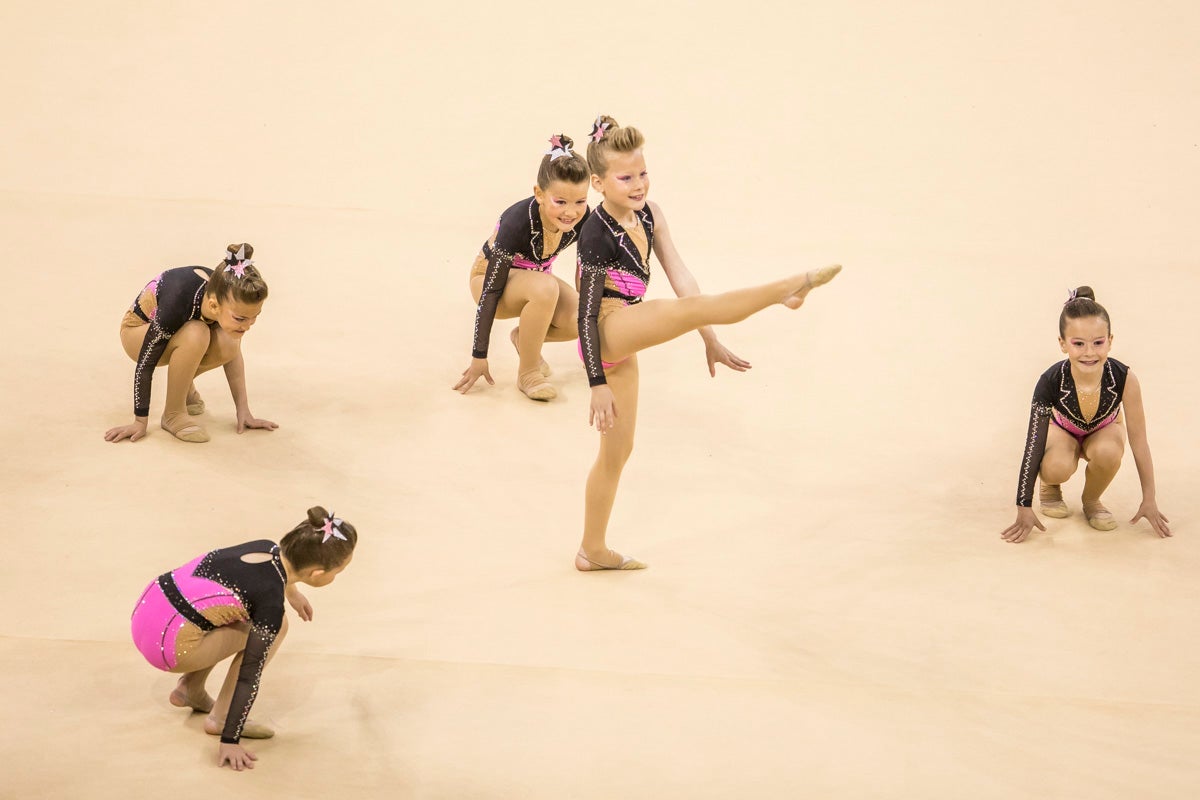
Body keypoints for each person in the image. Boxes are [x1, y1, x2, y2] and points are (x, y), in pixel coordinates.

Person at [574, 115, 841, 571]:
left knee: (617, 451)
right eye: (626, 177)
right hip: (604, 330)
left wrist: (709, 340)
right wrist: (595, 381)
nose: (638, 184)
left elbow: (681, 276)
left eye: (642, 173)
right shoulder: (596, 232)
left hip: (628, 334)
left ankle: (591, 550)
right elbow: (585, 312)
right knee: (692, 310)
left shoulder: (651, 214)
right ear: (598, 182)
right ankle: (788, 289)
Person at [130, 506, 357, 771]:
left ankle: (189, 690)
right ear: (317, 574)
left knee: (226, 608)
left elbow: (261, 576)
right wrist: (230, 738)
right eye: (337, 572)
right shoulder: (270, 604)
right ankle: (221, 718)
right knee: (275, 627)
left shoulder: (266, 547)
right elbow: (250, 672)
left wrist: (292, 593)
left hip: (147, 612)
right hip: (167, 645)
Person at [1001, 287, 1171, 543]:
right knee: (1058, 465)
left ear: (1110, 340)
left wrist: (1149, 498)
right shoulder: (1050, 381)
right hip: (1062, 431)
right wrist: (1023, 505)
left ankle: (1091, 500)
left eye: (1098, 342)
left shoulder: (1124, 379)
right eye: (1078, 344)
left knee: (1110, 451)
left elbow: (1139, 442)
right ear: (1062, 344)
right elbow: (1034, 444)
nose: (1089, 352)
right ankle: (1050, 487)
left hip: (1104, 429)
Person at [454, 135, 592, 401]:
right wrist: (479, 356)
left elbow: (584, 272)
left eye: (580, 202)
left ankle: (524, 339)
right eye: (560, 202)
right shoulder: (517, 221)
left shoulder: (584, 218)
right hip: (488, 281)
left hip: (537, 284)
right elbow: (491, 291)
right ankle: (528, 373)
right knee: (545, 287)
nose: (571, 212)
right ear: (539, 193)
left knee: (583, 316)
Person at [104, 243, 277, 443]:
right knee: (197, 333)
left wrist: (244, 411)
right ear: (213, 305)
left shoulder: (227, 292)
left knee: (229, 341)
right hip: (137, 333)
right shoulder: (178, 301)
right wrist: (139, 422)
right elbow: (146, 362)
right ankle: (173, 413)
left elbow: (233, 356)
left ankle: (184, 390)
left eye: (254, 317)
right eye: (241, 319)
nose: (248, 326)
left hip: (177, 330)